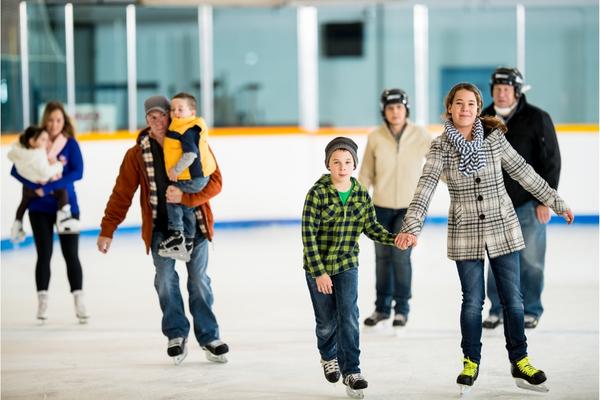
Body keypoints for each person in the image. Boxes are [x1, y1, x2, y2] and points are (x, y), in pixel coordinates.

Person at [395, 83, 573, 394]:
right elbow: (424, 189)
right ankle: (470, 362)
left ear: (479, 109)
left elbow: (525, 173)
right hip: (465, 234)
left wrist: (556, 201)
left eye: (471, 104)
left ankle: (520, 360)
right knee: (473, 302)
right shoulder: (440, 148)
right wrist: (411, 227)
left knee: (513, 301)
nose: (465, 109)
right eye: (459, 104)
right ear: (450, 108)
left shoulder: (494, 139)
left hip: (503, 226)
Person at [97, 95, 229, 365]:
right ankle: (176, 335)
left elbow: (215, 183)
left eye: (161, 115)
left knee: (199, 282)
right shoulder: (137, 154)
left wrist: (185, 199)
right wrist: (107, 229)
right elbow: (122, 193)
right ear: (146, 120)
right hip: (160, 229)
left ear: (171, 116)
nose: (157, 121)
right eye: (151, 117)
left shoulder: (190, 139)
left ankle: (209, 337)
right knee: (166, 283)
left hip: (198, 226)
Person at [302, 137, 402, 398]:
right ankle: (328, 356)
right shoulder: (317, 193)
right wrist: (319, 272)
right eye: (336, 162)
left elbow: (371, 227)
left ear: (354, 165)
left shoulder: (359, 194)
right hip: (319, 267)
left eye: (347, 162)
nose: (342, 166)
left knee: (348, 316)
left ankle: (352, 370)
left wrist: (395, 239)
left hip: (347, 264)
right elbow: (308, 236)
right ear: (328, 165)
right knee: (326, 321)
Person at [481, 67, 561, 330]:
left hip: (529, 204)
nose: (501, 94)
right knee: (496, 261)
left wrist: (544, 200)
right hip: (494, 205)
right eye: (497, 89)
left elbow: (551, 162)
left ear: (516, 91)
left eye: (506, 89)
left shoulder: (538, 118)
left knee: (531, 260)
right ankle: (497, 309)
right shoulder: (483, 120)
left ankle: (531, 309)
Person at [358, 88, 432, 328]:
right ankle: (381, 308)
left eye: (399, 107)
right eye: (390, 108)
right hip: (380, 207)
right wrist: (354, 201)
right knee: (382, 258)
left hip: (410, 210)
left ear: (406, 109)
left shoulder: (421, 135)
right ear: (384, 111)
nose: (395, 112)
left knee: (401, 258)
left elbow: (437, 166)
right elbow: (366, 173)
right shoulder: (376, 137)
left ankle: (401, 309)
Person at [10, 101, 87, 324]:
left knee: (71, 255)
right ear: (45, 120)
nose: (54, 124)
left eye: (59, 120)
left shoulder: (70, 144)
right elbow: (15, 169)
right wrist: (35, 187)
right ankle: (42, 301)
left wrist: (49, 187)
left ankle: (79, 300)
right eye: (51, 120)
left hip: (66, 206)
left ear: (64, 122)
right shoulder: (34, 141)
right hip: (39, 208)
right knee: (44, 255)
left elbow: (78, 172)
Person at [158, 92, 216, 262]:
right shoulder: (179, 126)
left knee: (172, 195)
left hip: (194, 178)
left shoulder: (187, 129)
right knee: (186, 206)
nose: (175, 112)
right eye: (172, 109)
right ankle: (188, 241)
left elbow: (190, 154)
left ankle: (177, 234)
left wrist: (175, 170)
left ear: (192, 112)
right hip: (196, 178)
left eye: (180, 109)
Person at [8, 126, 75, 243]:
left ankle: (17, 224)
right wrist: (59, 165)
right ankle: (62, 218)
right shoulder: (38, 154)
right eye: (43, 139)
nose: (46, 142)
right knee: (62, 192)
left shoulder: (21, 153)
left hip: (29, 188)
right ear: (32, 141)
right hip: (42, 184)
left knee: (24, 203)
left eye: (47, 139)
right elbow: (46, 172)